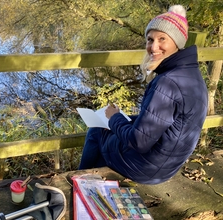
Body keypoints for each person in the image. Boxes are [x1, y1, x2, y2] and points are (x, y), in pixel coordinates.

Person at [78, 5, 208, 184]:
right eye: (150, 39)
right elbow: (165, 121)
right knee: (111, 130)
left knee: (97, 131)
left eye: (162, 39)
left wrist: (114, 118)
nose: (154, 47)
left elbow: (139, 142)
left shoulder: (167, 82)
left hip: (147, 168)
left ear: (177, 42)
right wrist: (125, 119)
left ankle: (79, 181)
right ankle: (94, 180)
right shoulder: (191, 73)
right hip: (167, 165)